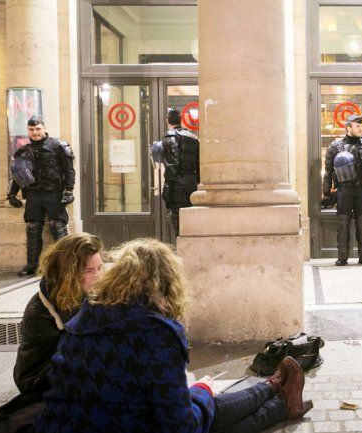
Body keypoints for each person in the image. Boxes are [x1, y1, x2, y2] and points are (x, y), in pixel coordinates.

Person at [34, 239, 311, 433]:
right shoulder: (156, 333)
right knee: (207, 417)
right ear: (166, 285)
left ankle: (274, 389)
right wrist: (200, 393)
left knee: (198, 406)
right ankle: (280, 402)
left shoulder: (85, 316)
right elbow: (182, 426)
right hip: (119, 422)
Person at [0, 233, 103, 432]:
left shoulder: (86, 294)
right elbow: (69, 355)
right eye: (89, 270)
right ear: (69, 272)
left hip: (69, 371)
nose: (98, 276)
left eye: (100, 268)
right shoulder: (41, 311)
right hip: (39, 379)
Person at [7, 116, 76, 277]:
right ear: (28, 131)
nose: (35, 132)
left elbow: (69, 171)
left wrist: (69, 191)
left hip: (54, 193)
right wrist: (11, 195)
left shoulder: (58, 146)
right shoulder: (24, 151)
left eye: (38, 129)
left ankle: (65, 266)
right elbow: (18, 173)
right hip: (33, 195)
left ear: (44, 128)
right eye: (31, 130)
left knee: (57, 226)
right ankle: (31, 265)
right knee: (32, 228)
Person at [322, 114, 362, 266]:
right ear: (348, 128)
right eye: (357, 125)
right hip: (344, 191)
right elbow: (328, 171)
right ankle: (342, 256)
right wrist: (327, 191)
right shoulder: (335, 146)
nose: (361, 128)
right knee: (343, 223)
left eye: (361, 125)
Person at [162, 108, 200, 237]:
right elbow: (198, 163)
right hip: (192, 181)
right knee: (191, 217)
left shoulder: (170, 136)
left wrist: (169, 185)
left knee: (177, 218)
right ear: (181, 120)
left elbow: (171, 164)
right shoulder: (193, 136)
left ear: (167, 120)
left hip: (177, 183)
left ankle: (180, 248)